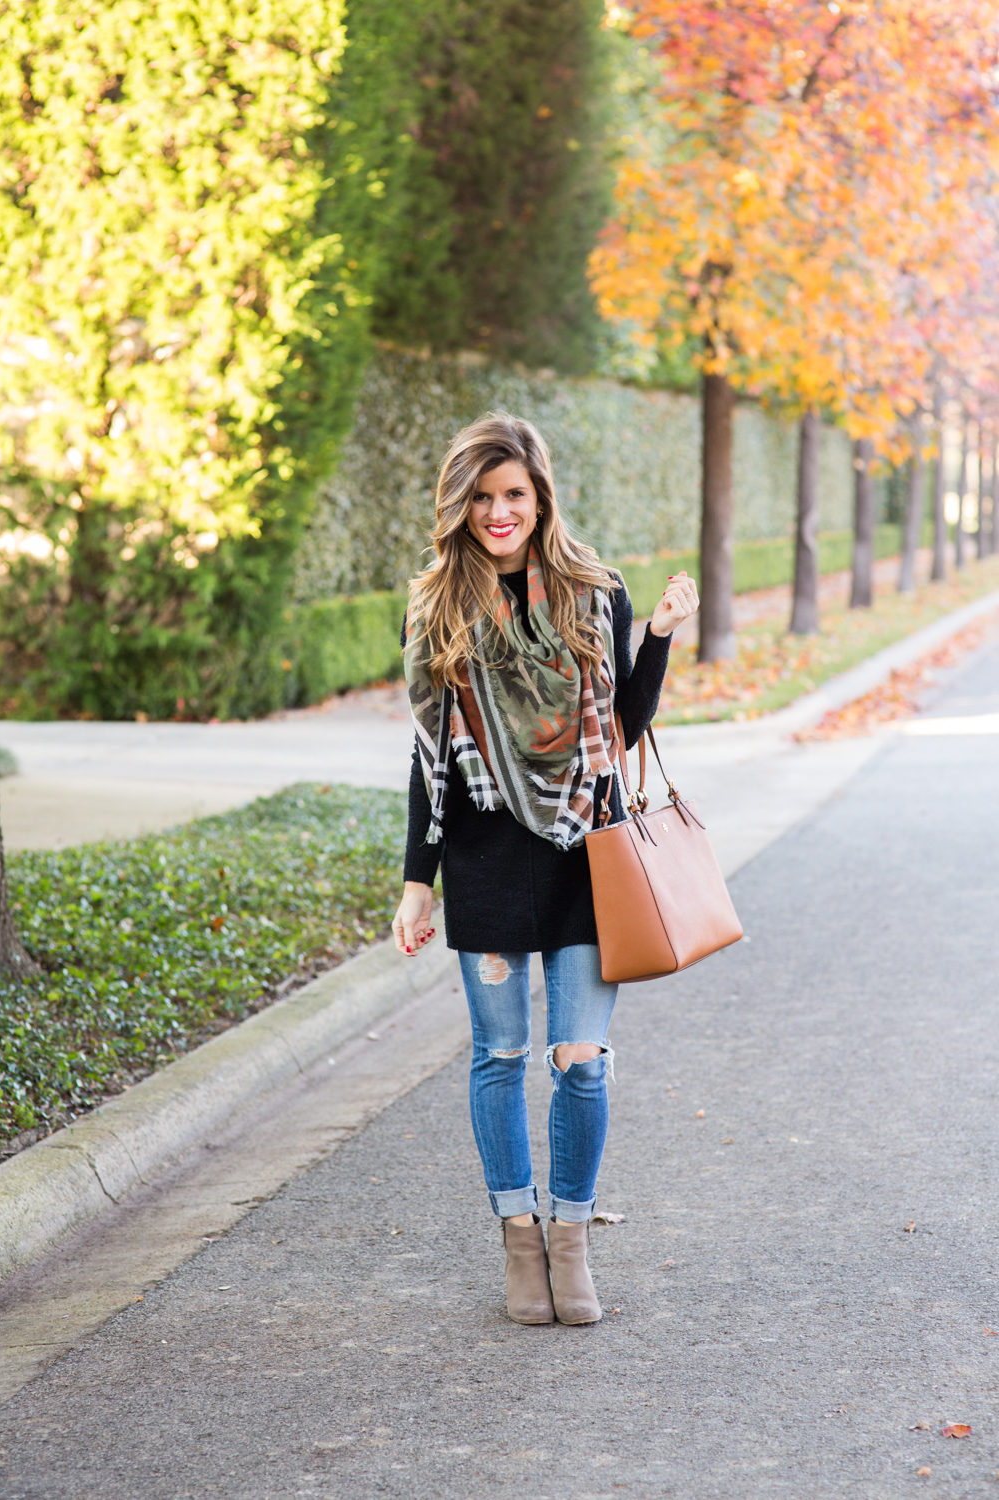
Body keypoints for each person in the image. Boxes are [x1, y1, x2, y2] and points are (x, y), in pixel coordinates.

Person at [392, 413, 699, 1326]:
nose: (498, 513)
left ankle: (571, 1241)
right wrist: (419, 880)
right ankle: (518, 1243)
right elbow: (428, 757)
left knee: (581, 1063)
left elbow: (624, 725)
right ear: (461, 504)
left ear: (541, 497)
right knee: (498, 1055)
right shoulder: (438, 606)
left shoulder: (592, 590)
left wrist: (660, 638)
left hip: (585, 854)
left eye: (513, 495)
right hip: (485, 857)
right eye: (482, 498)